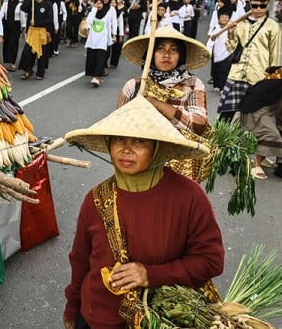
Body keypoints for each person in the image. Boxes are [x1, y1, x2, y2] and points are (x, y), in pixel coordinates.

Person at [63, 95, 224, 329]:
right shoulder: (96, 199)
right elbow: (80, 260)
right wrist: (72, 307)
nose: (126, 149)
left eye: (139, 141)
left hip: (159, 319)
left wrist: (150, 274)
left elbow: (210, 261)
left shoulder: (189, 196)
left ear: (158, 148)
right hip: (97, 317)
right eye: (119, 139)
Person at [120, 28, 211, 136]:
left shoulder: (193, 84)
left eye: (173, 50)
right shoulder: (134, 86)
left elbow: (199, 126)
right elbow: (119, 127)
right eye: (160, 48)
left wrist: (157, 104)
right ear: (151, 53)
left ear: (181, 55)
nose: (166, 54)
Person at [217, 0, 280, 123]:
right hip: (237, 74)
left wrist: (271, 80)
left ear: (267, 4)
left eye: (262, 6)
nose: (258, 9)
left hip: (259, 77)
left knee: (252, 116)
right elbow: (230, 48)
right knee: (225, 114)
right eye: (255, 5)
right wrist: (231, 33)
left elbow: (275, 54)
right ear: (250, 4)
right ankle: (217, 142)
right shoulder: (240, 23)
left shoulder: (273, 26)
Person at [239, 66, 282, 180]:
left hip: (253, 110)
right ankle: (256, 164)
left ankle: (262, 157)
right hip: (256, 112)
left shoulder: (268, 82)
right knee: (272, 134)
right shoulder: (276, 85)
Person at [19, 0, 54, 80]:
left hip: (42, 31)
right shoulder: (32, 3)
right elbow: (23, 8)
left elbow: (49, 19)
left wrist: (37, 23)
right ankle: (28, 70)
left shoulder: (48, 4)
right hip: (31, 32)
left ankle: (40, 72)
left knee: (41, 54)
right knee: (27, 52)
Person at [84, 0, 115, 87]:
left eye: (100, 3)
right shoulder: (92, 14)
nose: (99, 5)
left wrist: (110, 39)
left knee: (100, 59)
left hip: (102, 40)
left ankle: (97, 77)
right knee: (92, 58)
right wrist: (94, 10)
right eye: (97, 3)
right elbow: (88, 22)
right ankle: (93, 75)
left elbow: (108, 27)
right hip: (93, 40)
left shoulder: (107, 14)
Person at [207, 8, 234, 92]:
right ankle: (216, 85)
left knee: (224, 71)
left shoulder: (231, 30)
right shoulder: (216, 29)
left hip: (227, 53)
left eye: (227, 17)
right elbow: (211, 41)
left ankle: (223, 88)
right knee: (216, 70)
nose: (225, 18)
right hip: (217, 53)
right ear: (219, 20)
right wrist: (208, 51)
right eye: (222, 17)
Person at [1, 0, 23, 69]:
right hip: (6, 26)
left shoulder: (19, 5)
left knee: (13, 44)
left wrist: (23, 28)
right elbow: (1, 15)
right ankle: (8, 60)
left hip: (16, 26)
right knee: (6, 43)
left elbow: (22, 16)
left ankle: (13, 63)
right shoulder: (5, 4)